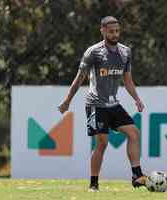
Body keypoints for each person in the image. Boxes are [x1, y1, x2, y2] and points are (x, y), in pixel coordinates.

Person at [58, 16, 146, 191]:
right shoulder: (93, 52)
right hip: (95, 104)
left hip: (114, 105)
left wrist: (136, 98)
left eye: (117, 31)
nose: (115, 34)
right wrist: (67, 101)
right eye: (111, 31)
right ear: (103, 30)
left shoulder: (125, 52)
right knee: (102, 143)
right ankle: (93, 184)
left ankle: (137, 175)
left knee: (134, 133)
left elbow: (128, 80)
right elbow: (79, 78)